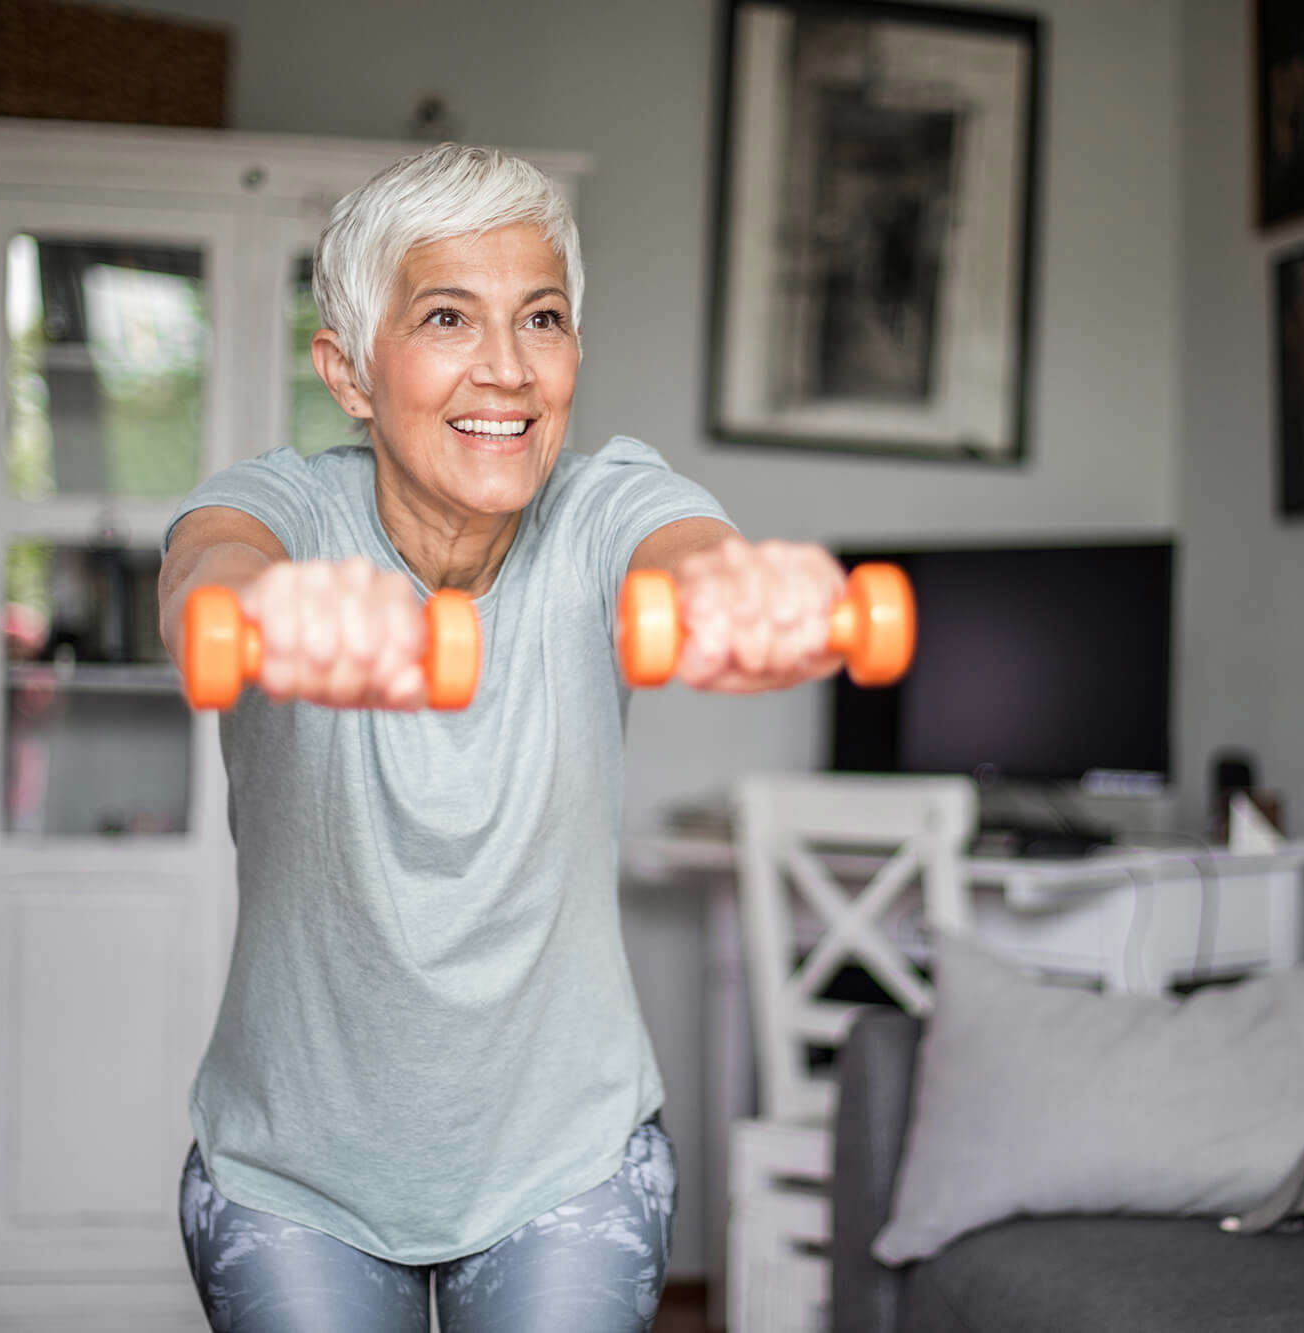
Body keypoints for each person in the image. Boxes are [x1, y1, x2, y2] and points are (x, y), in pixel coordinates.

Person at [159, 143, 848, 1332]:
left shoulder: (601, 506)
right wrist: (264, 614)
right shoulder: (281, 506)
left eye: (542, 318)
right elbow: (204, 574)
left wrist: (735, 597)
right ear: (350, 371)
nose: (507, 370)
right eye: (445, 316)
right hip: (293, 1174)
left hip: (561, 1162)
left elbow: (686, 558)